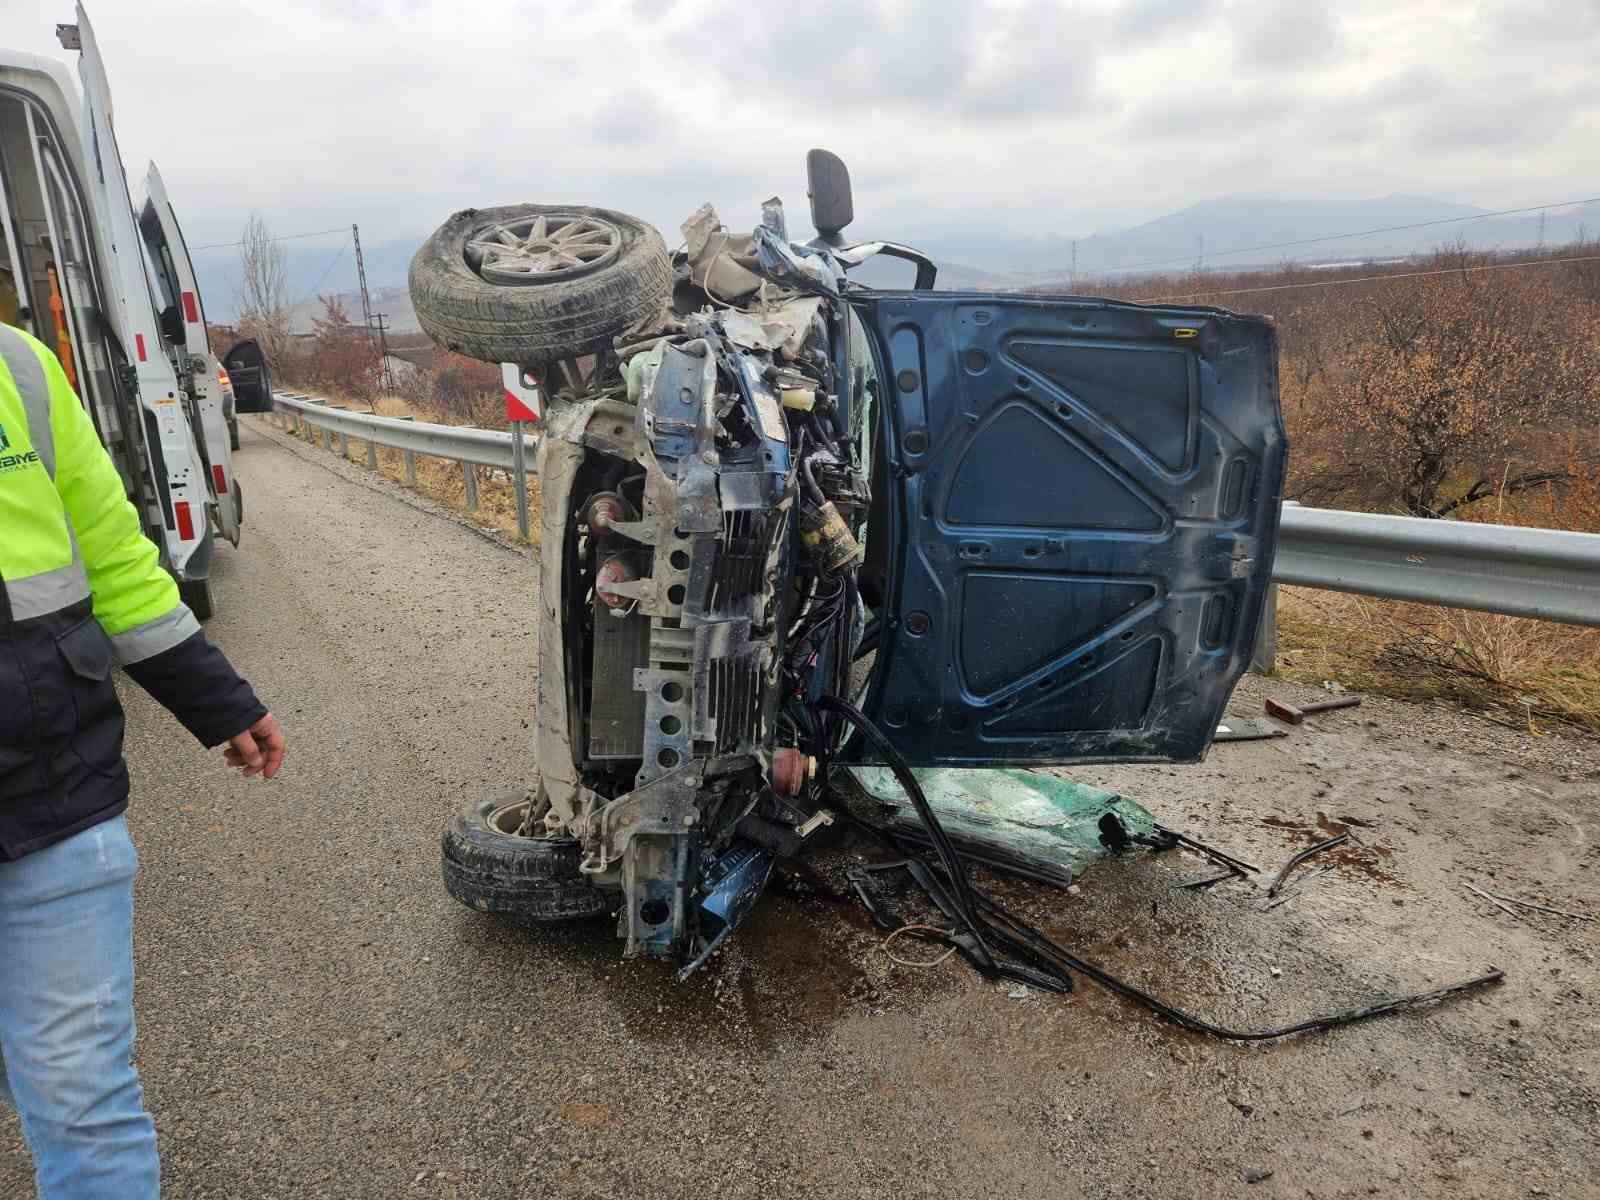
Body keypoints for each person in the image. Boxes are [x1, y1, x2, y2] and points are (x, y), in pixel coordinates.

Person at [0, 321, 285, 1198]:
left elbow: (112, 552)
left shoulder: (16, 366)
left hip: (53, 792)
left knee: (82, 1095)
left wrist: (217, 700)